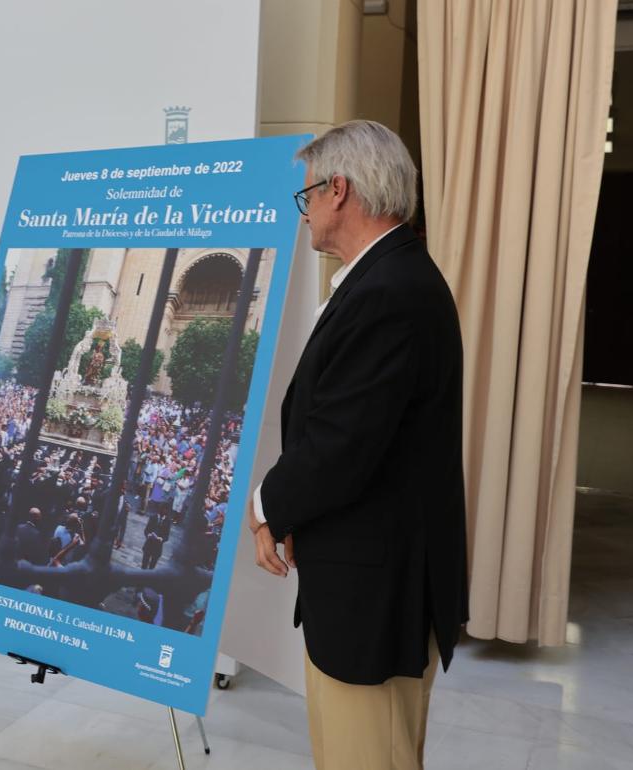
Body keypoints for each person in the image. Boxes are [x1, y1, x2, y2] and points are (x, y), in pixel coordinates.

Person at [246, 120, 467, 770]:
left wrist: (267, 506)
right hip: (368, 577)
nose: (304, 212)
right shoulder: (385, 279)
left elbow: (342, 444)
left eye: (306, 196)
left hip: (378, 596)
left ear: (338, 190)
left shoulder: (389, 293)